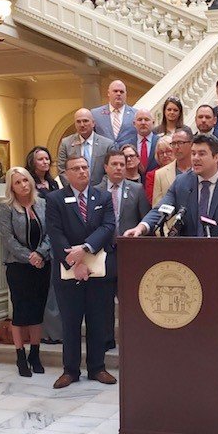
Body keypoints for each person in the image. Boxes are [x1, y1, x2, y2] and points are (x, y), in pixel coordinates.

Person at [46, 154, 117, 389]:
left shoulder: (103, 196)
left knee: (98, 322)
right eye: (75, 168)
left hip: (97, 269)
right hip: (69, 272)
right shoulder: (55, 198)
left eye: (85, 167)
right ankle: (70, 370)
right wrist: (75, 263)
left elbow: (108, 227)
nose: (82, 171)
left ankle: (97, 367)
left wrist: (85, 250)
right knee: (71, 323)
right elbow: (55, 233)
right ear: (66, 173)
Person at [124, 133, 218, 248]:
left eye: (201, 154)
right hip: (187, 255)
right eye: (193, 153)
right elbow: (160, 210)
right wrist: (141, 227)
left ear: (216, 157)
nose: (195, 158)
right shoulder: (181, 182)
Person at [0, 167, 51, 377]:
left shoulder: (43, 204)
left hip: (42, 265)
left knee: (37, 311)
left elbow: (50, 233)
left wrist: (40, 254)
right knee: (21, 312)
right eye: (18, 182)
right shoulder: (6, 207)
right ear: (11, 187)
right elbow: (7, 238)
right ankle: (20, 355)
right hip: (18, 267)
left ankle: (35, 354)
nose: (23, 185)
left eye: (25, 181)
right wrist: (29, 257)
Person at [97, 149, 151, 350]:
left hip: (129, 255)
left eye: (122, 164)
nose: (119, 167)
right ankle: (106, 339)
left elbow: (145, 220)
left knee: (130, 299)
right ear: (106, 167)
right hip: (103, 253)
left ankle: (131, 338)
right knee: (104, 301)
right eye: (115, 164)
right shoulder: (96, 190)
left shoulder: (136, 189)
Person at [25, 146, 64, 345]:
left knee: (54, 289)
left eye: (47, 159)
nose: (45, 162)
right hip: (38, 238)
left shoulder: (53, 183)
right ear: (32, 162)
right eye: (41, 159)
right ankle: (44, 333)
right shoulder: (28, 183)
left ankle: (56, 331)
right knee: (42, 290)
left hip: (55, 235)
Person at [58, 108, 115, 187]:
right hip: (74, 192)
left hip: (100, 193)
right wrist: (74, 188)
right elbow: (62, 170)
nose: (82, 125)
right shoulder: (66, 143)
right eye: (78, 121)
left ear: (93, 123)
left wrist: (98, 190)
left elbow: (111, 170)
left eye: (85, 121)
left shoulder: (107, 144)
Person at [153, 126, 193, 206]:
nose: (176, 147)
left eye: (180, 143)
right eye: (173, 144)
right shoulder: (160, 174)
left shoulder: (201, 169)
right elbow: (157, 207)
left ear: (191, 144)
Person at [91, 80, 138, 147]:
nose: (118, 94)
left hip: (127, 155)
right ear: (108, 93)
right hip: (104, 155)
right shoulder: (95, 114)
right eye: (115, 91)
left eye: (121, 92)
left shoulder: (136, 114)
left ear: (126, 94)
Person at [145, 136, 174, 204]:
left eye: (168, 151)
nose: (165, 155)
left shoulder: (182, 170)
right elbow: (152, 200)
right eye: (161, 153)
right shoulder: (152, 175)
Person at [133, 108, 159, 174]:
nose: (143, 123)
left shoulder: (160, 142)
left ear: (153, 123)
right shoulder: (125, 144)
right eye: (139, 120)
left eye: (146, 119)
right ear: (134, 123)